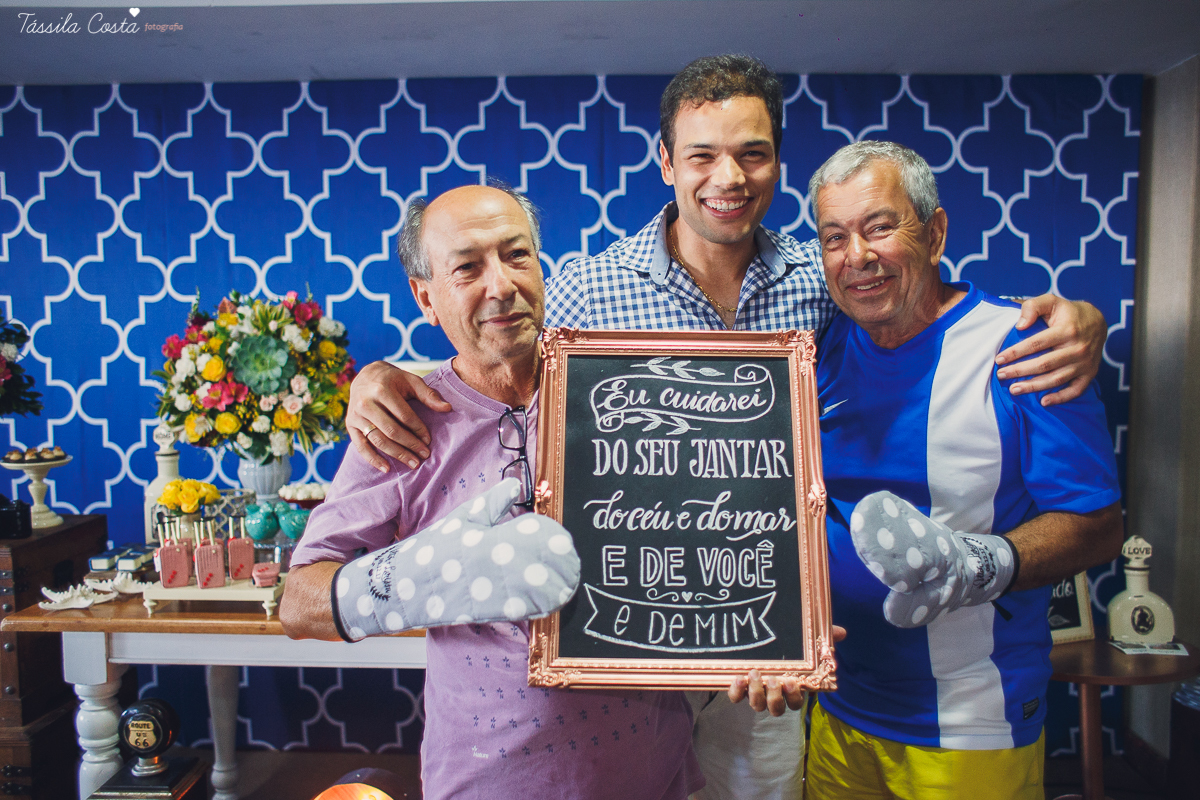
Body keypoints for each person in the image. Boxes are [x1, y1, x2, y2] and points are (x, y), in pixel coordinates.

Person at [344, 57, 1109, 800]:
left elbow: (929, 313)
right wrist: (382, 378)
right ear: (668, 164)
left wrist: (1076, 320)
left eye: (754, 154)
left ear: (777, 163)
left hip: (766, 648)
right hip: (626, 641)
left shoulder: (826, 278)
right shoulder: (583, 286)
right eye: (703, 155)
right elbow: (492, 361)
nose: (729, 178)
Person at [280, 185, 702, 800]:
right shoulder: (402, 422)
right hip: (491, 778)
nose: (500, 285)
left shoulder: (627, 389)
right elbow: (299, 600)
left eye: (517, 256)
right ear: (426, 297)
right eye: (468, 267)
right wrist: (412, 580)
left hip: (657, 769)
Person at [732, 141, 1123, 799]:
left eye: (879, 226)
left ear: (935, 231)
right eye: (835, 237)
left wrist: (977, 563)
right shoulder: (817, 350)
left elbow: (1097, 526)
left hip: (971, 723)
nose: (857, 256)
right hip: (839, 709)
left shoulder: (1023, 348)